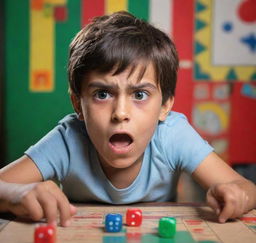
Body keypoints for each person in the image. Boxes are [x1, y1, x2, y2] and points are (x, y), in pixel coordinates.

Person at [0, 11, 255, 227]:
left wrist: (237, 193)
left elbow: (246, 187)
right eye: (102, 94)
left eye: (140, 94)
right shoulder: (68, 140)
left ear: (165, 105)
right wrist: (15, 193)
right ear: (78, 103)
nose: (120, 113)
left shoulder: (172, 134)